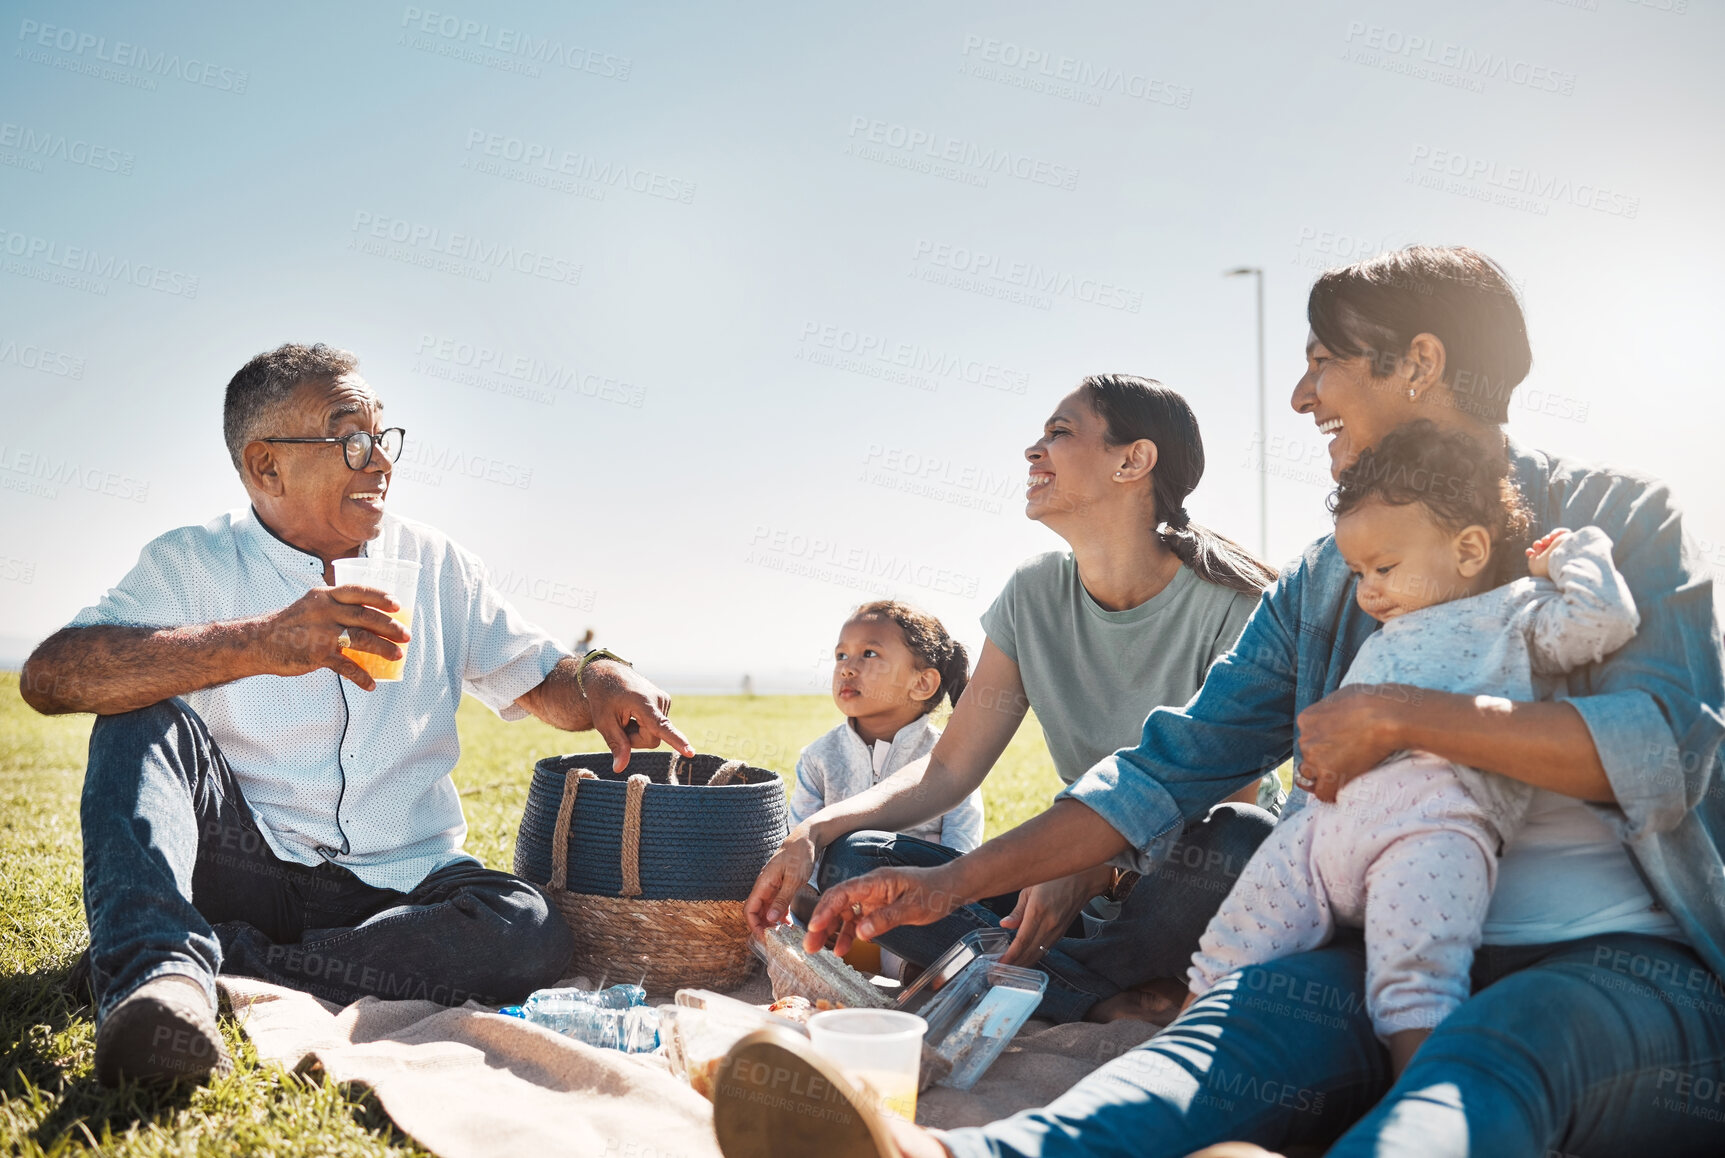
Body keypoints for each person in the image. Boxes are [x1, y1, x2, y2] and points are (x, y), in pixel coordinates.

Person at [752, 246, 1723, 1157]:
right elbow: (1169, 765)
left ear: (1420, 364)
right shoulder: (1327, 579)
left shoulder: (1617, 523)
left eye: (1324, 363)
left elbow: (1662, 754)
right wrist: (949, 885)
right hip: (1372, 951)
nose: (1301, 396)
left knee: (1498, 1051)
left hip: (1606, 964)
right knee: (1220, 1042)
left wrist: (1402, 717)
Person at [19, 343, 693, 1088]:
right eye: (350, 439)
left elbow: (544, 682)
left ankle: (209, 957)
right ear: (265, 466)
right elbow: (52, 675)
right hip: (246, 865)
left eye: (383, 437)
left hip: (399, 886)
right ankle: (157, 986)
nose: (379, 462)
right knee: (135, 720)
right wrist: (259, 642)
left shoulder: (437, 565)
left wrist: (600, 676)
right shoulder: (191, 562)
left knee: (525, 930)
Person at [747, 374, 1279, 1024]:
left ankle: (1045, 985)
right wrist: (813, 830)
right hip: (1073, 903)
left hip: (1185, 893)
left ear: (1132, 460)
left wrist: (1100, 863)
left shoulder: (1236, 607)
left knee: (1239, 839)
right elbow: (948, 768)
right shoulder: (1033, 596)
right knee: (857, 858)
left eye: (1059, 433)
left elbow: (1227, 797)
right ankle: (1106, 998)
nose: (1033, 451)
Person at [1187, 422, 1640, 1076]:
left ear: (1467, 550)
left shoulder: (1514, 614)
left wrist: (1573, 552)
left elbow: (1604, 620)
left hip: (1432, 831)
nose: (1368, 589)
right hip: (1318, 836)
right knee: (1224, 952)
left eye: (1385, 567)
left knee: (1414, 985)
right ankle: (1168, 1056)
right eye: (1358, 572)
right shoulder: (1383, 635)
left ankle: (1410, 1104)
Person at [790, 601, 984, 855]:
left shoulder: (949, 758)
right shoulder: (818, 758)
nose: (847, 668)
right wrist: (809, 892)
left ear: (922, 682)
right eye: (841, 656)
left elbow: (961, 851)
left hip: (924, 889)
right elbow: (799, 845)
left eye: (869, 654)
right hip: (836, 890)